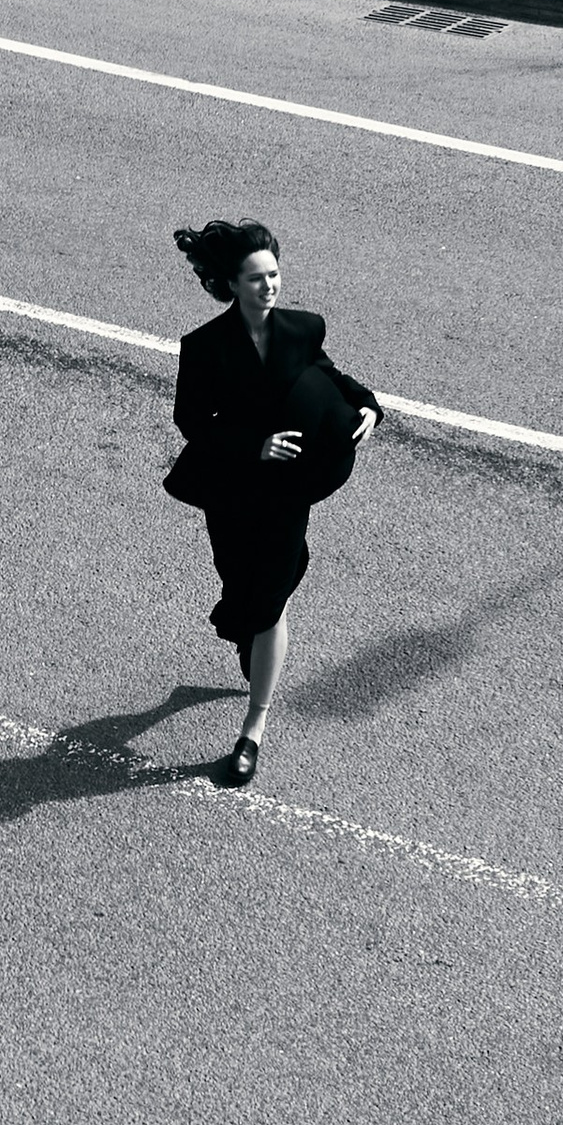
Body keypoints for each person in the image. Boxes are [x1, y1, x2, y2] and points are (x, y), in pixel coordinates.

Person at [164, 218, 380, 785]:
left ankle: (251, 730)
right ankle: (248, 632)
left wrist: (369, 407)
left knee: (271, 598)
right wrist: (253, 445)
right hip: (232, 488)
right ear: (231, 284)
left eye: (275, 275)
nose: (270, 287)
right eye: (257, 279)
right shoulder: (204, 346)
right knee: (239, 590)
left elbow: (331, 376)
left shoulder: (303, 329)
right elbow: (192, 421)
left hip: (287, 493)